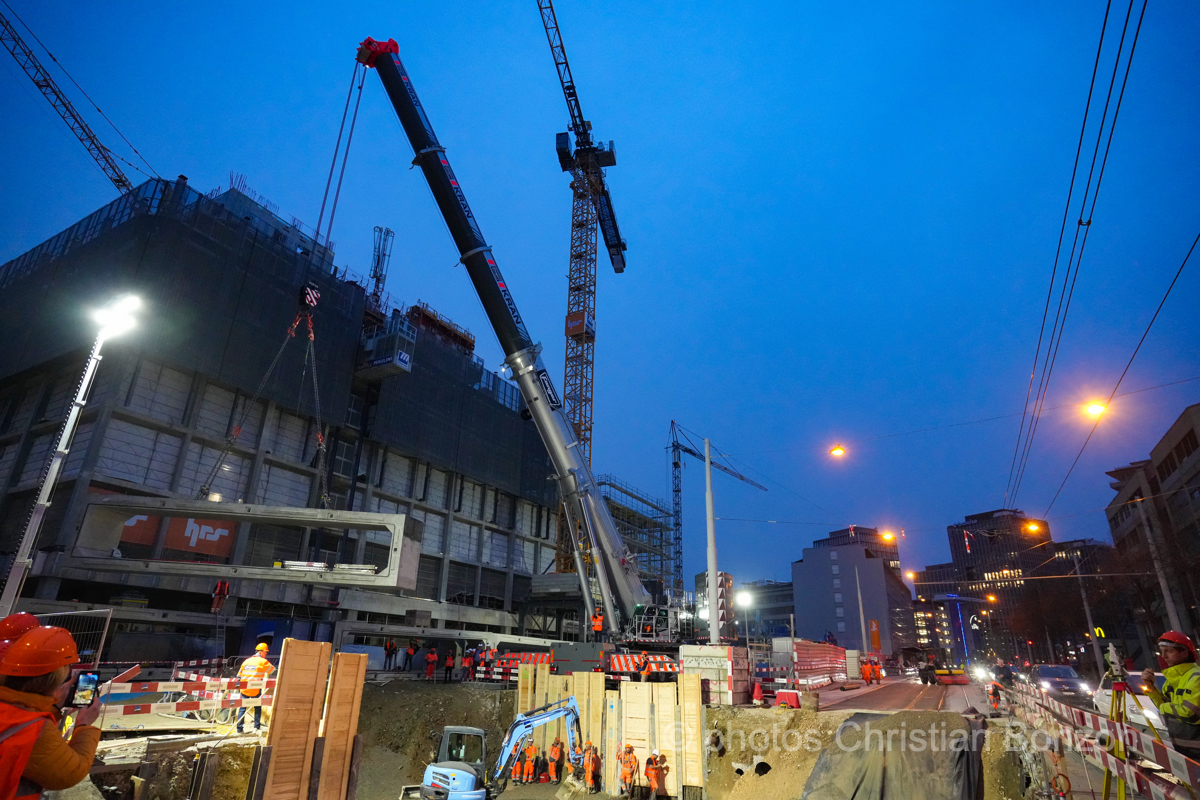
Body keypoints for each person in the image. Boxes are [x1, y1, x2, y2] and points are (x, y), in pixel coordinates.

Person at [0, 626, 102, 798]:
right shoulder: (37, 730)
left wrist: (54, 706)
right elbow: (70, 774)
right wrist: (84, 725)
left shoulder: (11, 709)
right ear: (57, 675)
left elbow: (20, 717)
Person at [1142, 630, 1200, 758]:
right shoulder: (1171, 681)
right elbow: (1165, 706)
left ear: (1184, 652)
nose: (1164, 656)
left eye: (1168, 651)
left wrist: (1164, 707)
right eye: (1162, 651)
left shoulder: (1196, 677)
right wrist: (1151, 688)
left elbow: (1190, 713)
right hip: (1183, 751)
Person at [236, 643, 275, 733]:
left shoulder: (246, 661)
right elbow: (273, 670)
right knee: (257, 707)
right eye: (265, 652)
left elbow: (238, 676)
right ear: (261, 652)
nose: (266, 654)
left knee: (242, 708)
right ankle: (256, 727)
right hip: (255, 689)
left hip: (244, 689)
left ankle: (239, 729)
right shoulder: (263, 661)